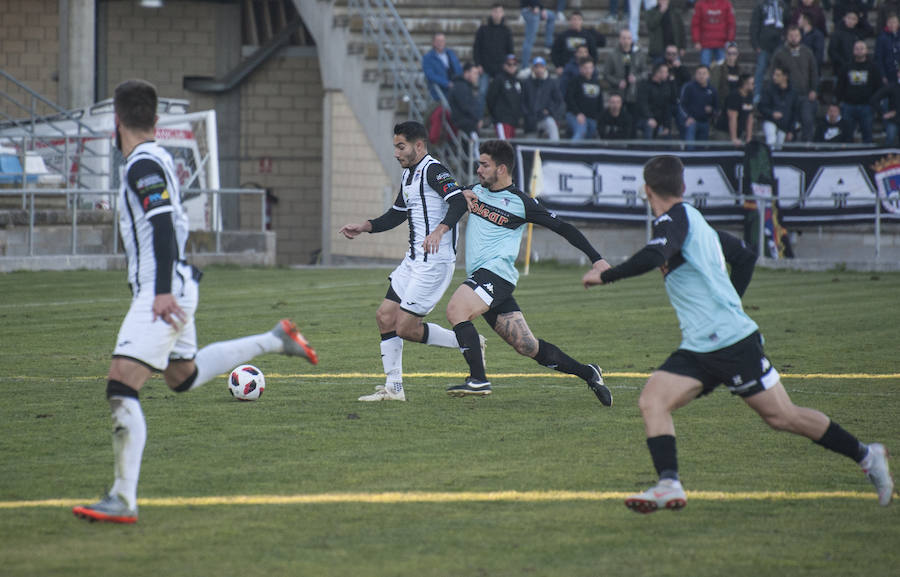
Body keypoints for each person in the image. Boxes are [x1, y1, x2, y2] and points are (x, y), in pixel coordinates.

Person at [582, 155, 895, 513]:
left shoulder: (673, 220)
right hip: (702, 344)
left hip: (731, 343)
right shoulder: (696, 223)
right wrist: (730, 303)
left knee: (783, 417)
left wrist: (605, 275)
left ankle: (867, 456)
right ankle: (669, 483)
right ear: (683, 188)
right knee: (653, 399)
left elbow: (657, 253)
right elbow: (745, 256)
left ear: (647, 191)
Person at [72, 80, 319, 524]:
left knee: (120, 386)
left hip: (161, 288)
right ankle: (274, 340)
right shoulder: (160, 156)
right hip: (177, 282)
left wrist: (161, 288)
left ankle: (123, 498)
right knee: (180, 377)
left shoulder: (141, 164)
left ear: (117, 122)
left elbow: (163, 223)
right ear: (156, 120)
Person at [443, 139, 612, 405]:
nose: (478, 169)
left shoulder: (521, 203)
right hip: (485, 280)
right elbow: (442, 189)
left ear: (501, 169)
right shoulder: (473, 191)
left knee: (456, 310)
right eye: (478, 164)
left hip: (496, 275)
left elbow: (564, 228)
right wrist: (455, 190)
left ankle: (478, 379)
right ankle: (589, 373)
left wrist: (597, 259)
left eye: (484, 165)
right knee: (527, 346)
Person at [338, 121, 471, 402]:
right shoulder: (409, 176)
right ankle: (394, 388)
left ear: (419, 146)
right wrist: (364, 226)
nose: (396, 153)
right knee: (385, 316)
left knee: (405, 328)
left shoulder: (434, 170)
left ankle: (467, 343)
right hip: (413, 261)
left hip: (434, 262)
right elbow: (397, 214)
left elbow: (459, 202)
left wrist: (440, 229)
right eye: (395, 147)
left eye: (401, 147)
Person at [771, 25, 819, 141]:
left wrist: (814, 89)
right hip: (787, 95)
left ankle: (807, 147)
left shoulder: (807, 52)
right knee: (788, 124)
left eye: (796, 36)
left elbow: (814, 72)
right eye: (791, 36)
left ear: (800, 37)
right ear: (786, 37)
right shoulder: (779, 53)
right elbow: (773, 73)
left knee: (807, 120)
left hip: (804, 94)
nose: (794, 38)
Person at [836, 40, 883, 143]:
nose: (859, 51)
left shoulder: (873, 68)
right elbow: (840, 86)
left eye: (862, 48)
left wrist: (874, 103)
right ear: (853, 51)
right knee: (847, 136)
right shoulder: (846, 67)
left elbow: (879, 87)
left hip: (866, 106)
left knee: (867, 135)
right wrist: (837, 102)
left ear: (866, 51)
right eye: (857, 48)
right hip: (848, 106)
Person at [473, 4, 515, 109]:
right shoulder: (483, 29)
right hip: (485, 68)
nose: (497, 14)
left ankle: (497, 119)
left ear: (503, 14)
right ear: (492, 13)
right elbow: (476, 48)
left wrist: (509, 65)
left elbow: (510, 51)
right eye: (495, 11)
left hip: (500, 69)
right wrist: (478, 64)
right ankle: (478, 120)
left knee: (499, 94)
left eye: (499, 12)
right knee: (482, 92)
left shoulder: (506, 31)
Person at [750, 0, 787, 103]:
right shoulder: (760, 5)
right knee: (760, 70)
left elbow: (787, 22)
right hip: (764, 45)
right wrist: (755, 44)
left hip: (779, 45)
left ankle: (775, 95)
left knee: (776, 72)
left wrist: (785, 38)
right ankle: (757, 94)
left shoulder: (783, 5)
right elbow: (754, 25)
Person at [605, 28, 647, 117]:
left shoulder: (639, 54)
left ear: (631, 39)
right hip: (618, 93)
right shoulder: (612, 54)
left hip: (634, 93)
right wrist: (618, 82)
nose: (626, 41)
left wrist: (636, 78)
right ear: (620, 39)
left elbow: (645, 72)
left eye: (628, 38)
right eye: (623, 38)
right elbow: (607, 74)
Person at [523, 56, 564, 140]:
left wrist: (549, 110)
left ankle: (556, 150)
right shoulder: (527, 83)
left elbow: (558, 101)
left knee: (552, 125)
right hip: (531, 120)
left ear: (545, 68)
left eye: (541, 66)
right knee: (530, 144)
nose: (539, 69)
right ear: (533, 68)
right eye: (536, 67)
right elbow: (522, 102)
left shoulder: (551, 83)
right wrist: (527, 115)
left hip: (545, 117)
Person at [759, 65, 800, 148]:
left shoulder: (793, 93)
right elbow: (761, 106)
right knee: (771, 140)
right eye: (774, 74)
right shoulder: (769, 90)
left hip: (784, 124)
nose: (774, 77)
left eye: (778, 75)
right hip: (770, 120)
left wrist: (791, 131)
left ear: (785, 77)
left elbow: (795, 112)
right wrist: (772, 113)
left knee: (779, 146)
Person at [486, 54, 525, 139]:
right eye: (509, 64)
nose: (512, 66)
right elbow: (490, 98)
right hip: (502, 120)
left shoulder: (517, 81)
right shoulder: (498, 79)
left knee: (509, 147)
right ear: (504, 65)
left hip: (513, 121)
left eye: (514, 64)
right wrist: (496, 115)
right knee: (504, 147)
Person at [566, 57, 604, 140]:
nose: (588, 70)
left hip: (592, 118)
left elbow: (600, 102)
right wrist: (578, 113)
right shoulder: (574, 81)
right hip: (575, 115)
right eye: (586, 68)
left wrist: (599, 117)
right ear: (580, 69)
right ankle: (570, 152)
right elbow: (569, 98)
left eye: (590, 68)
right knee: (581, 131)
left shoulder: (596, 83)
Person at [637, 62, 677, 139]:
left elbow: (671, 101)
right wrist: (650, 117)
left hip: (660, 119)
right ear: (658, 73)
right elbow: (643, 104)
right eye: (665, 72)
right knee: (649, 125)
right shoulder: (644, 85)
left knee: (667, 132)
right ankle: (647, 150)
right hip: (644, 118)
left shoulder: (666, 86)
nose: (667, 74)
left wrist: (666, 125)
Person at [678, 65, 718, 143]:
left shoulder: (712, 90)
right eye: (699, 73)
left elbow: (716, 108)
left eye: (704, 73)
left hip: (705, 122)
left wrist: (711, 110)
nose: (701, 76)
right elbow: (681, 105)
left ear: (709, 75)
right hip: (691, 122)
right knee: (690, 147)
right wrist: (688, 117)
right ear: (695, 75)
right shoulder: (689, 87)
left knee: (702, 150)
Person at [691, 0, 737, 67]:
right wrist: (696, 41)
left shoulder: (726, 3)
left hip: (722, 43)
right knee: (704, 68)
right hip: (705, 43)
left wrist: (730, 40)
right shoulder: (700, 4)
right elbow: (695, 24)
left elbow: (731, 23)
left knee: (723, 68)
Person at [448, 62, 484, 138]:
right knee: (474, 147)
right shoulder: (461, 86)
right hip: (465, 124)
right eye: (474, 73)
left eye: (477, 74)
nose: (477, 76)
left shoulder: (466, 86)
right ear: (466, 73)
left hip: (469, 122)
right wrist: (477, 119)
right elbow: (465, 106)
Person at [423, 32, 463, 101]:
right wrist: (447, 83)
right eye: (438, 41)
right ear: (433, 43)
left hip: (455, 85)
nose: (440, 43)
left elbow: (458, 68)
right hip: (441, 89)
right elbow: (430, 75)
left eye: (442, 41)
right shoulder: (428, 58)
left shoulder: (450, 53)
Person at [720, 73, 756, 145]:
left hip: (739, 131)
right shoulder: (734, 96)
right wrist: (734, 138)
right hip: (724, 132)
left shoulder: (750, 96)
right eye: (752, 83)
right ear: (745, 83)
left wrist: (749, 137)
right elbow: (732, 117)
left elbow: (750, 117)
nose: (754, 85)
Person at [828, 11, 867, 76]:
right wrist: (844, 63)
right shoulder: (837, 33)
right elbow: (832, 51)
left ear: (856, 21)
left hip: (856, 69)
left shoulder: (857, 35)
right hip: (840, 69)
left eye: (853, 19)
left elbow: (869, 29)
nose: (850, 21)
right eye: (849, 18)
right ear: (844, 19)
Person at [521, 0, 556, 68]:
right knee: (529, 40)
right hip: (530, 9)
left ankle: (548, 44)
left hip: (537, 8)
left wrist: (541, 9)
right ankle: (524, 67)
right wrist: (534, 6)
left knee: (551, 16)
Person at [709, 41, 743, 111]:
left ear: (737, 54)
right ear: (725, 54)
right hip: (722, 105)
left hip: (736, 106)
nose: (731, 56)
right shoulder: (718, 69)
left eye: (734, 54)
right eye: (729, 53)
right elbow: (714, 87)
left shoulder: (740, 70)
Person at [874, 13, 900, 85]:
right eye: (890, 22)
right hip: (889, 73)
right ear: (886, 23)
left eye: (894, 22)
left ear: (898, 23)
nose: (892, 24)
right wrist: (883, 75)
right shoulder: (881, 38)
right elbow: (879, 58)